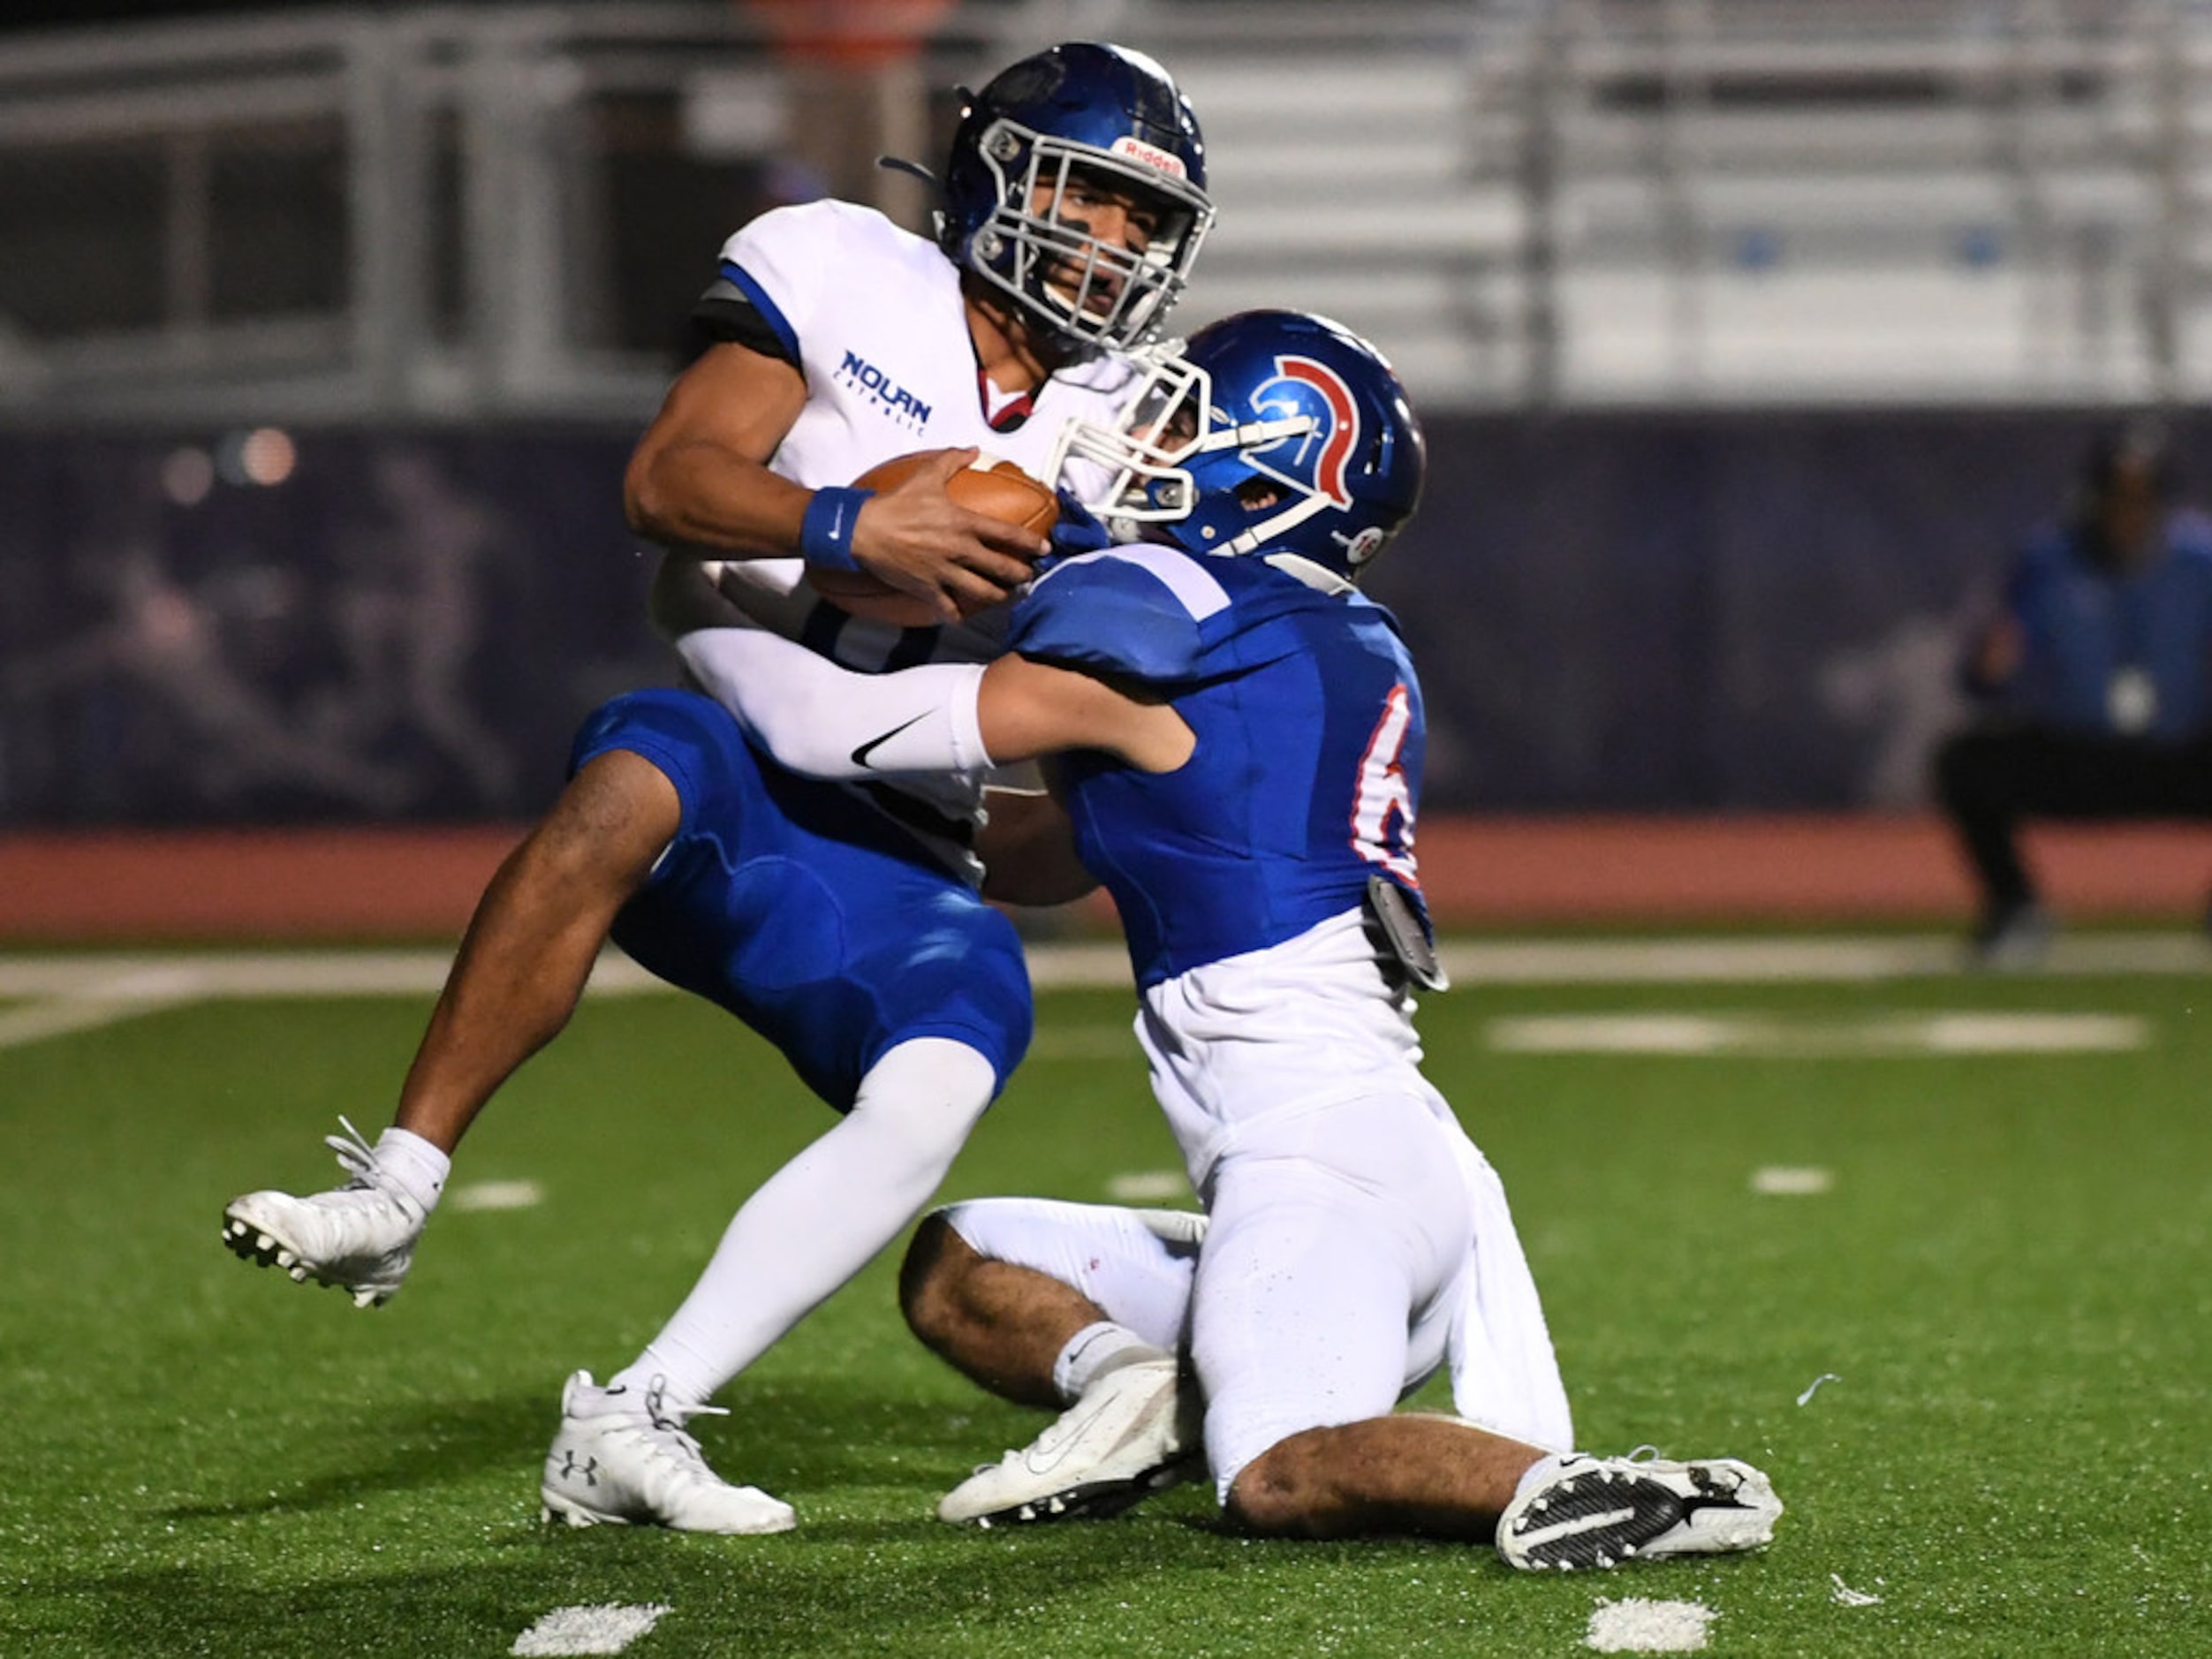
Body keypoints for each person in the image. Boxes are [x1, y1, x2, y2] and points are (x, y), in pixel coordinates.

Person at [219, 40, 1214, 1536]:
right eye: (1092, 198)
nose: (1113, 242)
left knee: (949, 1064)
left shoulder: (1144, 424)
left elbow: (1065, 808)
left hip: (906, 850)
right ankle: (402, 1187)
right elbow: (667, 480)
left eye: (1145, 222)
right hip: (737, 767)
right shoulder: (841, 269)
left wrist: (1095, 783)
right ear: (1000, 177)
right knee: (632, 769)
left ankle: (634, 1413)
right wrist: (850, 525)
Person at [678, 308, 1784, 1571]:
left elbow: (828, 729)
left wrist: (705, 607)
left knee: (1275, 1469)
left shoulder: (1178, 604)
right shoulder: (1317, 642)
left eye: (1180, 419)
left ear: (1267, 470)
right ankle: (1136, 1385)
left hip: (1317, 1168)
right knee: (962, 1260)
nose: (1140, 442)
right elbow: (1056, 849)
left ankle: (1590, 1487)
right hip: (1374, 1159)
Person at [1933, 418, 2212, 966]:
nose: (2129, 514)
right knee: (1966, 761)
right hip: (2078, 752)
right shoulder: (2049, 562)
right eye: (2118, 498)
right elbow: (1983, 679)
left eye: (2142, 499)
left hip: (2178, 751)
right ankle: (2015, 909)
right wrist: (1991, 667)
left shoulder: (2200, 565)